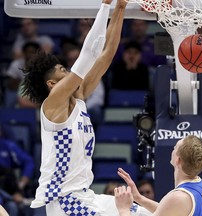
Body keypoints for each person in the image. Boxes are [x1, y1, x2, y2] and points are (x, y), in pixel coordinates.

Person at [20, 0, 152, 215]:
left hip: (85, 195)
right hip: (63, 200)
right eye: (63, 70)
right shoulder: (52, 105)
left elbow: (107, 52)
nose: (69, 71)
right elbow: (88, 54)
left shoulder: (79, 97)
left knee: (144, 213)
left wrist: (120, 8)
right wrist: (105, 6)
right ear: (52, 85)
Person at [114, 135, 202, 216]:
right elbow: (169, 210)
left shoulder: (179, 197)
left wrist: (124, 209)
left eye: (175, 147)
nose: (172, 148)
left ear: (178, 160)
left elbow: (172, 206)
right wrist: (139, 198)